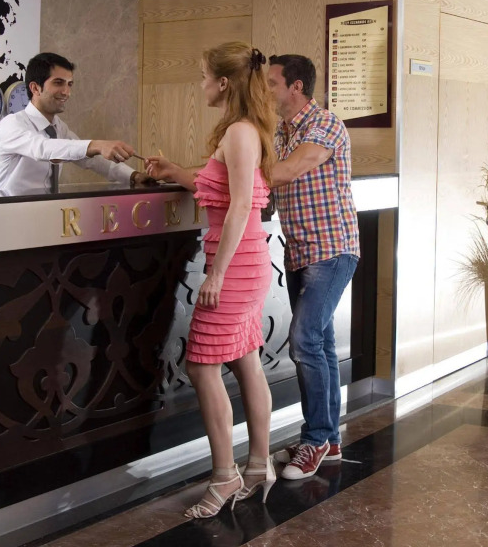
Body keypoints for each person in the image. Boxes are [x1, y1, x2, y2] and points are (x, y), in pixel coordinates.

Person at [144, 42, 279, 519]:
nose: (201, 84)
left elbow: (240, 205)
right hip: (245, 261)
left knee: (203, 367)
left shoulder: (240, 132)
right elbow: (221, 190)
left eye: (204, 76)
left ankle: (225, 476)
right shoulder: (243, 130)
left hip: (236, 266)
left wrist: (216, 273)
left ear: (223, 82)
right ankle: (258, 466)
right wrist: (175, 173)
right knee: (246, 361)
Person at [264, 54, 360, 481]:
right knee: (320, 343)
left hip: (332, 250)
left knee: (304, 340)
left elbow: (289, 171)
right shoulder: (281, 132)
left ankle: (316, 438)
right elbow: (271, 184)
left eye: (272, 83)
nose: (266, 90)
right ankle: (330, 440)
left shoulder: (325, 124)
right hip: (300, 253)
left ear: (296, 86)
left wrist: (231, 173)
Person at [0, 52, 145, 197]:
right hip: (10, 212)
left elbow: (90, 159)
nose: (66, 92)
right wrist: (96, 145)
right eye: (58, 83)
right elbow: (42, 148)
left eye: (69, 84)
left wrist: (134, 176)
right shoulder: (11, 124)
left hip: (47, 210)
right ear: (35, 88)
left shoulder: (59, 127)